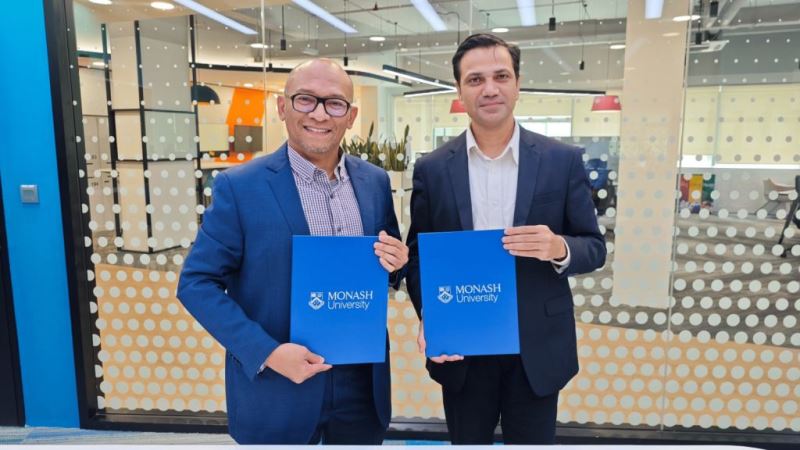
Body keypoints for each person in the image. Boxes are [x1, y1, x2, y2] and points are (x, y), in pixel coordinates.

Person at [177, 59, 408, 444]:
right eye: (305, 99)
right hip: (277, 385)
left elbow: (387, 263)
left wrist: (397, 263)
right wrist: (267, 352)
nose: (319, 113)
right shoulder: (240, 187)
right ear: (282, 107)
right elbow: (196, 283)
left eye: (334, 103)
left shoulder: (374, 182)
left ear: (351, 116)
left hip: (360, 384)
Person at [405, 34, 606, 444]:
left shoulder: (561, 160)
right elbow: (419, 255)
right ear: (459, 90)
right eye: (475, 79)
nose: (490, 88)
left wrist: (559, 247)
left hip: (536, 344)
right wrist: (433, 314)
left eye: (501, 76)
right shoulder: (432, 169)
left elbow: (594, 247)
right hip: (463, 342)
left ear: (517, 85)